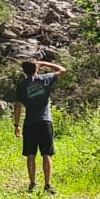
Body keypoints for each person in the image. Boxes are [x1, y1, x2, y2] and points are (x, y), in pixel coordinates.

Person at [11, 58, 66, 192]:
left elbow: (17, 106)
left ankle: (32, 184)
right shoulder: (45, 79)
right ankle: (47, 185)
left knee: (31, 155)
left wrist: (16, 125)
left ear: (24, 71)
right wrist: (45, 63)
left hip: (30, 123)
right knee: (46, 154)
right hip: (45, 122)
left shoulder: (21, 85)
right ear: (37, 68)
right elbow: (62, 70)